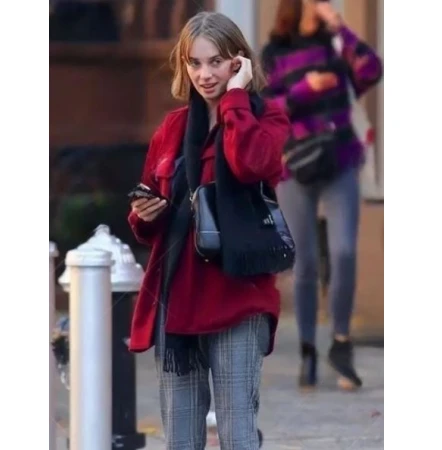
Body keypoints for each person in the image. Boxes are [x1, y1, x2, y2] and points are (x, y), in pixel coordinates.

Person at [128, 11, 290, 450]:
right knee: (180, 438)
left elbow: (250, 164)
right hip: (178, 299)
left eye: (216, 62)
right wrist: (146, 212)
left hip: (238, 297)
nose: (204, 74)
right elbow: (148, 221)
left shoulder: (267, 119)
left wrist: (235, 99)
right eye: (195, 63)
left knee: (237, 433)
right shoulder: (172, 129)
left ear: (239, 61)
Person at [261, 0, 383, 390]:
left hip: (340, 160)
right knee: (306, 264)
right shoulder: (275, 51)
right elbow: (266, 108)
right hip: (295, 166)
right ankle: (309, 350)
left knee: (344, 252)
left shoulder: (336, 44)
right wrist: (305, 90)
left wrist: (340, 27)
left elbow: (372, 69)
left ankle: (341, 345)